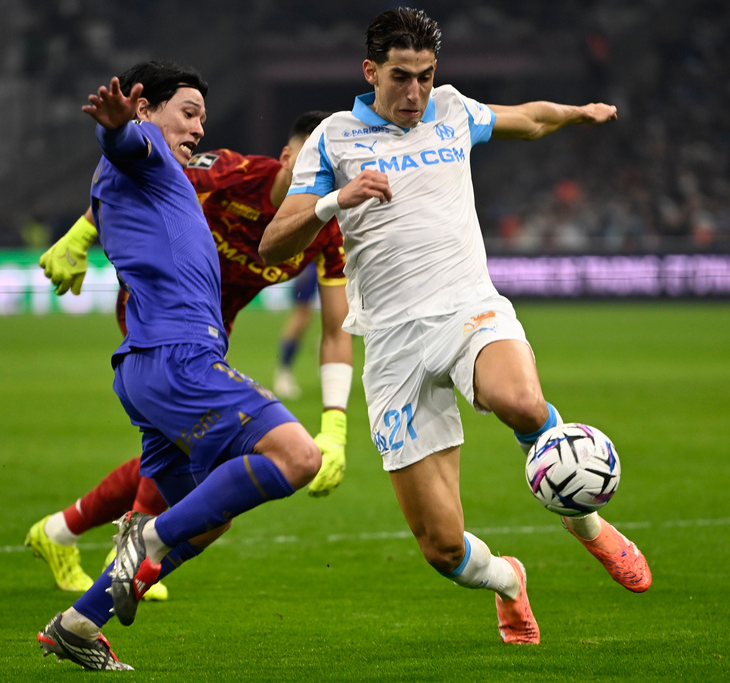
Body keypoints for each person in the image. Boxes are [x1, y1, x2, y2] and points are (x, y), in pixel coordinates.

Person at [259, 8, 651, 646]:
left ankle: (587, 524)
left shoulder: (451, 109)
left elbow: (529, 119)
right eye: (400, 76)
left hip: (468, 308)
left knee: (522, 402)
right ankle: (509, 581)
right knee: (442, 548)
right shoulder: (332, 138)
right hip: (392, 344)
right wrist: (335, 200)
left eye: (425, 75)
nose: (415, 92)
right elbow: (274, 243)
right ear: (370, 71)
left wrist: (577, 113)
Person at [36, 60, 322, 671]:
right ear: (146, 108)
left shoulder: (141, 175)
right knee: (299, 457)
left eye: (202, 117)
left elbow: (125, 154)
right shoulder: (146, 153)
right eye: (188, 113)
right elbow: (126, 141)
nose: (198, 128)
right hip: (180, 358)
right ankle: (147, 534)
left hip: (145, 367)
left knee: (209, 519)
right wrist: (117, 126)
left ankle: (79, 624)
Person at [272, 262, 319, 400]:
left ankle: (325, 347)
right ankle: (284, 372)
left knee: (350, 316)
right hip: (311, 262)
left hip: (338, 260)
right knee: (301, 315)